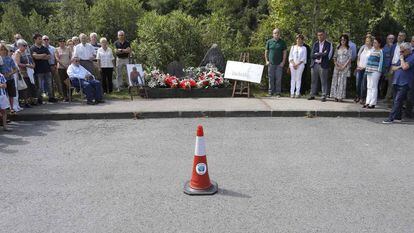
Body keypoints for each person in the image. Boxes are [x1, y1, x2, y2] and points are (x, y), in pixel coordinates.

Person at [383, 43, 414, 123]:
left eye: (402, 51)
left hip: (405, 83)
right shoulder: (403, 56)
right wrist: (400, 65)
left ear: (408, 50)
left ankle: (390, 118)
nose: (400, 52)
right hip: (396, 81)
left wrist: (401, 60)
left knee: (397, 100)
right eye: (400, 51)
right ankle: (398, 117)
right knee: (396, 101)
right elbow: (393, 67)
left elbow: (405, 67)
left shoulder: (412, 57)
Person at [30, 33, 57, 103]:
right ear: (35, 40)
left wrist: (39, 56)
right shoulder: (32, 48)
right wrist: (43, 55)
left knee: (49, 84)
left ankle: (51, 97)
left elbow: (49, 56)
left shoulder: (44, 47)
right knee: (39, 86)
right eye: (39, 39)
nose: (41, 40)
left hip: (47, 69)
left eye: (41, 39)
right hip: (38, 70)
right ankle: (39, 99)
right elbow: (35, 56)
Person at [308, 29, 333, 102]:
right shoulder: (315, 44)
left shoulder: (328, 44)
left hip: (323, 65)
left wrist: (317, 54)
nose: (320, 36)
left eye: (321, 35)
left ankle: (323, 95)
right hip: (315, 64)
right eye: (318, 35)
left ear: (324, 35)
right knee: (313, 81)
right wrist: (321, 54)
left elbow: (327, 54)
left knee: (323, 81)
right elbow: (312, 55)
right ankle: (312, 94)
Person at [14, 39, 36, 107]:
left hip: (30, 72)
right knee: (25, 88)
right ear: (19, 46)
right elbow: (17, 63)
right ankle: (26, 102)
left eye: (26, 45)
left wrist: (33, 65)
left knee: (31, 86)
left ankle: (31, 100)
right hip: (23, 73)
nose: (26, 47)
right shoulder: (17, 53)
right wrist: (26, 65)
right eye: (24, 45)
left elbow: (31, 60)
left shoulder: (27, 52)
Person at [265, 28, 287, 97]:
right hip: (271, 64)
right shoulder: (269, 42)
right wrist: (266, 60)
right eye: (275, 33)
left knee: (278, 79)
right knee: (271, 78)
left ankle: (278, 93)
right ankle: (270, 92)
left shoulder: (282, 42)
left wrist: (283, 62)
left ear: (279, 34)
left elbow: (285, 53)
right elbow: (266, 52)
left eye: (278, 33)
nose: (276, 34)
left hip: (279, 64)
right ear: (273, 34)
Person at [386, 32, 407, 102]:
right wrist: (389, 67)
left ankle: (396, 101)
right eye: (398, 35)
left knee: (397, 84)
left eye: (401, 36)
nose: (399, 37)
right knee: (390, 84)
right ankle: (389, 99)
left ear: (404, 37)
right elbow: (391, 56)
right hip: (392, 66)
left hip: (399, 67)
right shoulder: (394, 46)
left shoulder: (406, 46)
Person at [330, 34, 352, 102]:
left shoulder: (349, 48)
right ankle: (335, 96)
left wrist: (343, 66)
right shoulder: (337, 47)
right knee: (335, 81)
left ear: (346, 40)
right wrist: (336, 64)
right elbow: (334, 57)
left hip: (344, 67)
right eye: (341, 39)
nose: (342, 41)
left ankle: (340, 97)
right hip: (337, 66)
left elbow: (349, 59)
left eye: (344, 40)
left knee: (342, 82)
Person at [364, 37, 384, 108]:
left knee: (373, 86)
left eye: (375, 42)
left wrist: (379, 71)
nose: (374, 44)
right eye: (374, 42)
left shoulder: (381, 51)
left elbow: (381, 62)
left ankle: (372, 103)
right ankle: (367, 102)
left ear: (379, 44)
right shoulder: (372, 50)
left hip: (375, 71)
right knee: (369, 86)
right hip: (369, 70)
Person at [355, 35, 373, 104]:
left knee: (363, 84)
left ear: (371, 42)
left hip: (366, 69)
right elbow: (358, 57)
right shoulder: (363, 48)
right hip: (359, 68)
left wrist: (364, 67)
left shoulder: (372, 50)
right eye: (366, 41)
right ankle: (357, 96)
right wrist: (358, 65)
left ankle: (362, 98)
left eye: (368, 41)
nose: (367, 42)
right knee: (357, 83)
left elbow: (371, 61)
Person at [0, 43, 18, 113]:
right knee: (3, 95)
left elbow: (15, 69)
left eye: (4, 49)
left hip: (10, 78)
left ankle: (12, 108)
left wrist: (10, 73)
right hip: (2, 80)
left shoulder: (9, 58)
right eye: (1, 49)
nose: (3, 51)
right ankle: (4, 109)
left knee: (11, 94)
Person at [288, 34, 306, 98]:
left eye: (300, 39)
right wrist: (293, 64)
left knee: (298, 79)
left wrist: (297, 64)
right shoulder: (293, 47)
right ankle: (292, 93)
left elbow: (304, 58)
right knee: (293, 79)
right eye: (297, 39)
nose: (298, 40)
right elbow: (290, 57)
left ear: (302, 40)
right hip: (292, 65)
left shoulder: (304, 48)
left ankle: (297, 93)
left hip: (300, 65)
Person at [55, 37, 72, 102]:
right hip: (61, 68)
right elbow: (57, 59)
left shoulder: (68, 49)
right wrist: (64, 65)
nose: (62, 43)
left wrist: (69, 65)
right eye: (60, 41)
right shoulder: (57, 49)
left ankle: (70, 96)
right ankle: (65, 97)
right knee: (63, 82)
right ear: (58, 42)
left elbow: (71, 57)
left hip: (68, 68)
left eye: (63, 41)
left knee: (69, 82)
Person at [381, 34, 396, 100]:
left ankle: (387, 98)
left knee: (390, 84)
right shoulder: (384, 46)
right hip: (383, 68)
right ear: (387, 39)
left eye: (392, 38)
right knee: (382, 83)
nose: (390, 40)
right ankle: (381, 96)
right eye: (389, 38)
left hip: (390, 68)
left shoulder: (395, 47)